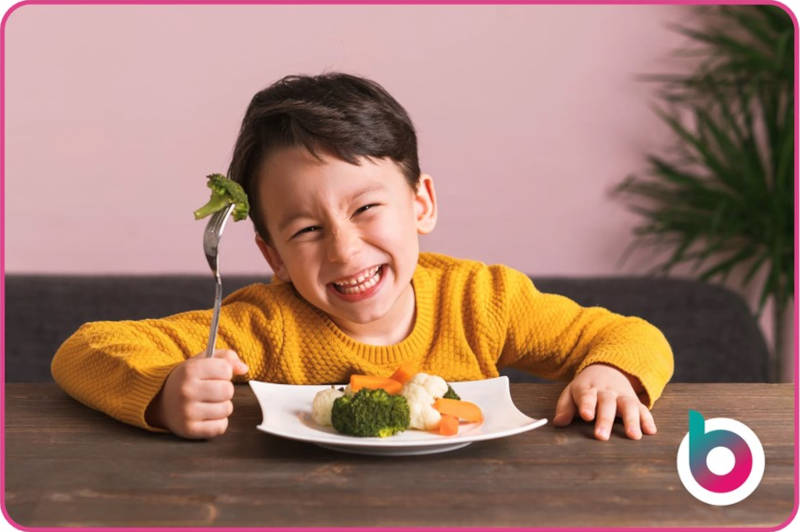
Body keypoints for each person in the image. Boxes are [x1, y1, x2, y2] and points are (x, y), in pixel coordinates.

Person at [51, 72, 673, 441]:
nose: (345, 250)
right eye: (305, 230)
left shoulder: (482, 301)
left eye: (367, 209)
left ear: (421, 203)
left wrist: (614, 373)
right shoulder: (261, 327)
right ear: (271, 254)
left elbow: (629, 334)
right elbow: (83, 351)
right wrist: (162, 394)